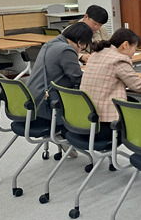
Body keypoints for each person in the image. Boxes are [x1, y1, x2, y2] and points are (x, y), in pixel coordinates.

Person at [26, 22, 93, 157]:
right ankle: (65, 132)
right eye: (85, 45)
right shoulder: (66, 49)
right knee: (89, 103)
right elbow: (78, 78)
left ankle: (63, 134)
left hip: (32, 100)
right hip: (46, 106)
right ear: (80, 42)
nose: (83, 49)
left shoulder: (51, 43)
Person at [80, 28, 141, 142]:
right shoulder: (118, 59)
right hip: (106, 127)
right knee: (139, 108)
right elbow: (139, 86)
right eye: (134, 48)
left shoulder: (96, 53)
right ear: (125, 45)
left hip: (86, 122)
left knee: (132, 101)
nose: (133, 53)